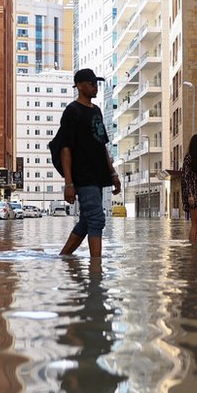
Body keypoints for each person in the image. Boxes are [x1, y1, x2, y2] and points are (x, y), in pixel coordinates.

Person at [58, 68, 122, 258]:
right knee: (96, 219)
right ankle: (96, 268)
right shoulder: (72, 111)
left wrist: (113, 173)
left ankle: (64, 258)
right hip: (82, 174)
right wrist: (69, 183)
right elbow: (65, 149)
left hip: (98, 175)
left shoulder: (97, 111)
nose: (96, 87)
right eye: (91, 83)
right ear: (79, 85)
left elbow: (102, 144)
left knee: (87, 221)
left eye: (97, 83)